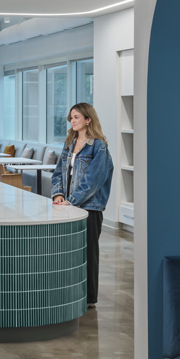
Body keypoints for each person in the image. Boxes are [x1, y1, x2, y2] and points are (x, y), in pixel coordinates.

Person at [51, 102, 114, 309]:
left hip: (89, 208)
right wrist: (59, 194)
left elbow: (93, 181)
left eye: (76, 117)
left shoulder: (99, 146)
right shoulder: (69, 142)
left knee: (88, 253)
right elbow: (59, 172)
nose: (72, 120)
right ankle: (71, 293)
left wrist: (72, 201)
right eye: (71, 117)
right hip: (69, 206)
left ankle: (89, 298)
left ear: (88, 119)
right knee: (69, 251)